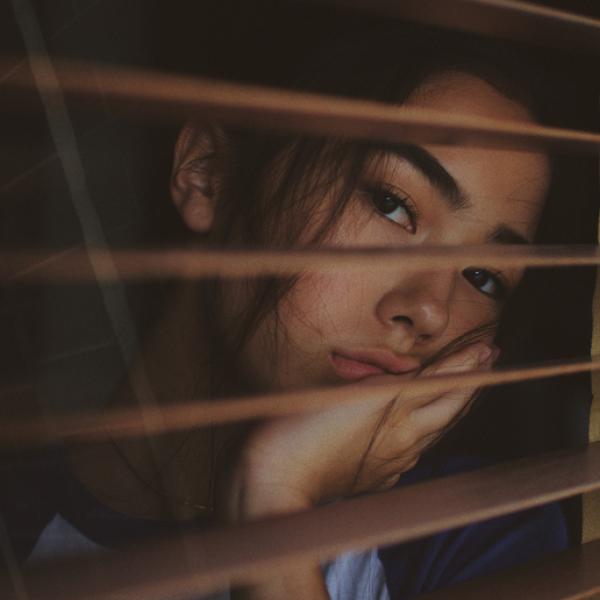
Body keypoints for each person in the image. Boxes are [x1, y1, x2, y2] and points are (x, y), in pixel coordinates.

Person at [11, 22, 596, 600]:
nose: (430, 312)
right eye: (392, 206)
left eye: (483, 276)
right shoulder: (18, 525)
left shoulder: (475, 536)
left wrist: (274, 499)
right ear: (209, 176)